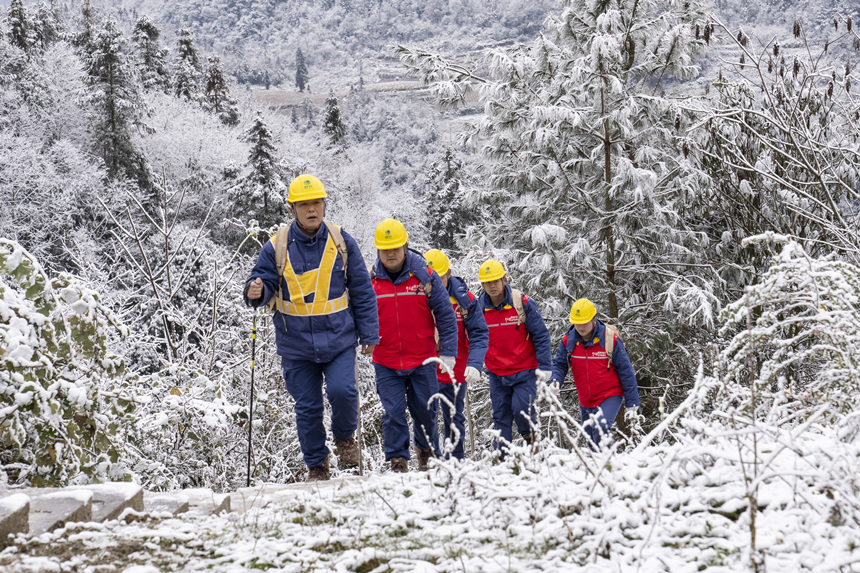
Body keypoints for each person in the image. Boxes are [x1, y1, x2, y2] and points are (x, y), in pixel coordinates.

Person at [244, 174, 379, 482]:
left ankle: (345, 438)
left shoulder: (342, 242)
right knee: (307, 407)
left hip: (339, 338)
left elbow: (361, 290)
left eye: (316, 202)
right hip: (296, 345)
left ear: (324, 205)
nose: (311, 209)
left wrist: (370, 333)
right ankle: (317, 466)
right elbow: (262, 282)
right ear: (292, 209)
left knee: (343, 392)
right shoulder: (275, 247)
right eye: (304, 204)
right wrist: (256, 292)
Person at [371, 220, 458, 472]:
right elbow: (361, 315)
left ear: (406, 246)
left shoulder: (424, 276)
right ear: (378, 251)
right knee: (393, 412)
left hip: (422, 358)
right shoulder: (371, 281)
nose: (390, 253)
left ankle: (427, 452)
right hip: (386, 360)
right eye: (385, 249)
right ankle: (398, 460)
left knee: (426, 409)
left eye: (396, 248)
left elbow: (445, 314)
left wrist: (449, 352)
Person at [476, 259, 552, 456]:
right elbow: (473, 338)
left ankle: (533, 445)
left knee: (522, 410)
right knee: (500, 416)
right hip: (496, 373)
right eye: (487, 282)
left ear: (505, 280)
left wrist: (545, 366)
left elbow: (541, 335)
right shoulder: (478, 309)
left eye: (495, 281)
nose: (492, 286)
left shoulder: (522, 303)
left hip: (524, 371)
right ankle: (502, 459)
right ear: (482, 285)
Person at [424, 249, 489, 460]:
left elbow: (479, 332)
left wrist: (475, 363)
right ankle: (430, 460)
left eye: (439, 277)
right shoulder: (418, 297)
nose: (434, 282)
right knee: (426, 415)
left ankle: (455, 460)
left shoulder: (465, 300)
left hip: (456, 370)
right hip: (425, 370)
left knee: (454, 417)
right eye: (429, 277)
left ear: (449, 273)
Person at [550, 298, 640, 447]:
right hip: (585, 399)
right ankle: (601, 467)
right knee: (590, 439)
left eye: (584, 322)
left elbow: (626, 371)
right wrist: (555, 381)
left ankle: (606, 464)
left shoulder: (610, 340)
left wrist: (632, 403)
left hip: (610, 395)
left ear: (594, 319)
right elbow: (559, 364)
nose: (580, 327)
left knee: (601, 427)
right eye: (577, 323)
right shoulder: (569, 341)